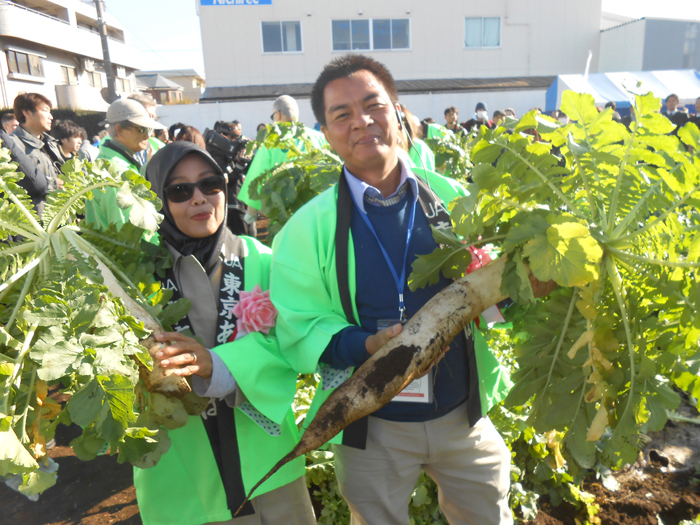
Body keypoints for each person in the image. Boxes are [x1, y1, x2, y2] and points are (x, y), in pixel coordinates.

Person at [270, 53, 543, 525]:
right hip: (371, 428)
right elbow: (301, 327)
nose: (361, 122)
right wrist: (365, 345)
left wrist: (524, 287)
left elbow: (499, 303)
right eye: (342, 115)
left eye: (373, 105)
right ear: (326, 132)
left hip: (463, 418)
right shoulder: (304, 229)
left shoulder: (459, 200)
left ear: (397, 111)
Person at [137, 141, 316, 525]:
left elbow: (295, 344)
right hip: (185, 473)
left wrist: (217, 365)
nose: (199, 199)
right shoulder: (131, 280)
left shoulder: (264, 261)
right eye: (180, 190)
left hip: (269, 464)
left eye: (210, 184)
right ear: (158, 201)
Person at [238, 94, 327, 226]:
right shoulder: (319, 137)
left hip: (284, 213)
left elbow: (257, 178)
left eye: (272, 116)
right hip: (318, 209)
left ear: (278, 114)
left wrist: (251, 212)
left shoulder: (272, 141)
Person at [84, 98, 166, 232]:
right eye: (141, 129)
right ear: (119, 130)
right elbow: (125, 233)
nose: (147, 136)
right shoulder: (116, 172)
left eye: (149, 129)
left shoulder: (110, 161)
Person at [3, 93, 63, 216]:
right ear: (27, 113)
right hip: (36, 223)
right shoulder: (12, 146)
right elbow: (19, 186)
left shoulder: (50, 143)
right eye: (45, 111)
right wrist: (53, 184)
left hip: (59, 217)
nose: (51, 117)